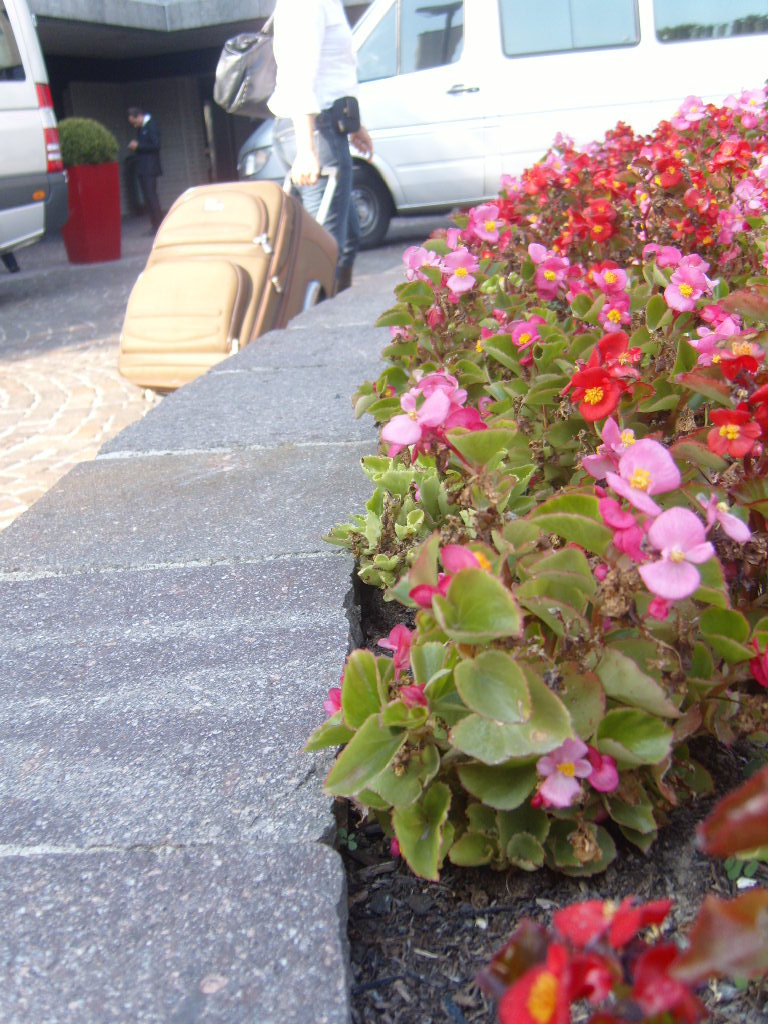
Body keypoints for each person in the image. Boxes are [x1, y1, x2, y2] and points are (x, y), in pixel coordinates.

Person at [268, 0, 373, 294]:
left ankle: (336, 308)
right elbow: (299, 74)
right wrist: (306, 149)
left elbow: (334, 72)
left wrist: (354, 125)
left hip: (325, 128)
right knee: (325, 250)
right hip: (314, 130)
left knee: (346, 237)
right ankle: (318, 317)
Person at [127, 105, 163, 233]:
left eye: (134, 122)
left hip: (150, 167)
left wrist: (138, 146)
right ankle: (154, 225)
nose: (134, 125)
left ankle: (159, 225)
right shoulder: (141, 128)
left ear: (139, 116)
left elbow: (156, 145)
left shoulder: (151, 125)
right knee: (147, 197)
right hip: (143, 167)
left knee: (151, 196)